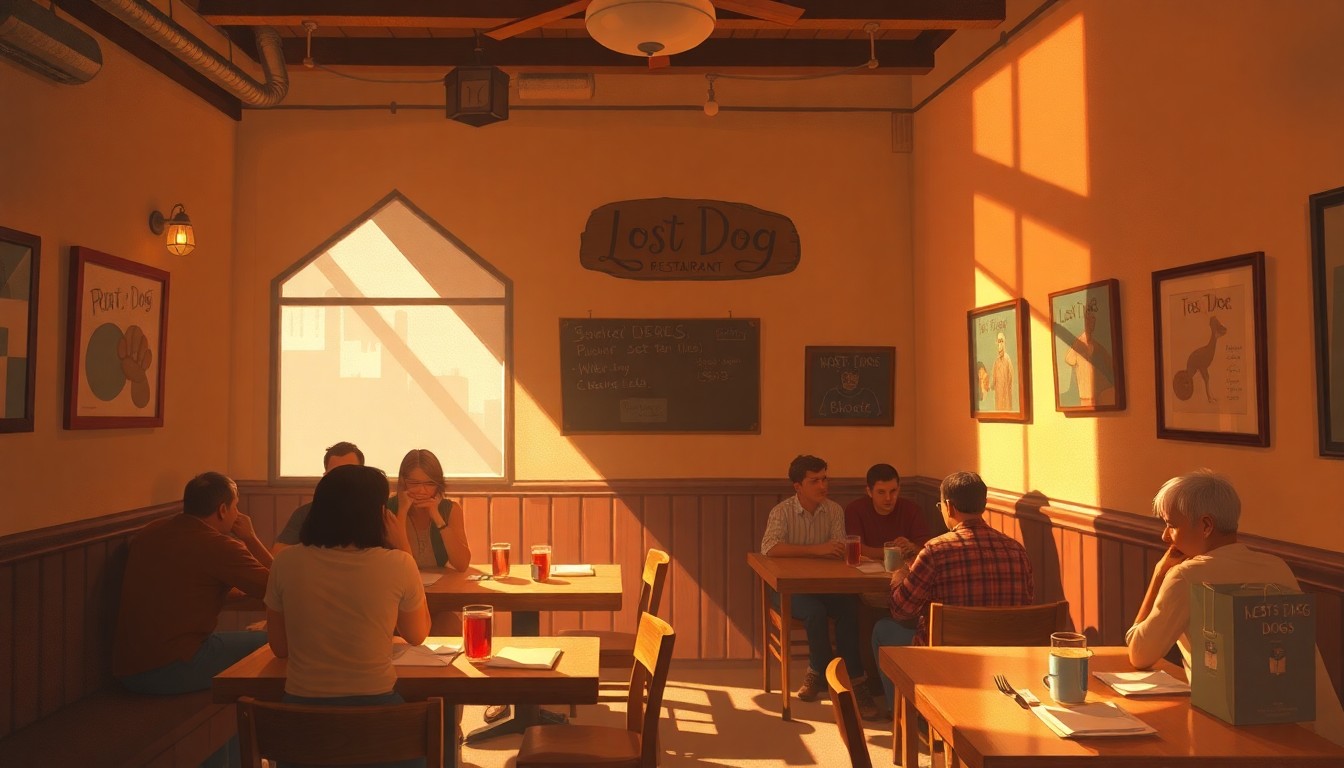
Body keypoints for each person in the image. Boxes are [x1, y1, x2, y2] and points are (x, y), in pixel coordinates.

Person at [1126, 470, 1344, 745]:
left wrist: (1159, 574)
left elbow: (1139, 653)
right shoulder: (1276, 567)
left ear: (1206, 525)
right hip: (1320, 732)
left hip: (1246, 735)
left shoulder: (1186, 575)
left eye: (1171, 525)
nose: (1165, 537)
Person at [266, 464, 432, 768]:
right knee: (430, 727)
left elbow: (280, 648)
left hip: (301, 724)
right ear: (379, 513)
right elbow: (417, 634)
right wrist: (403, 544)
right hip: (377, 714)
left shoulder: (285, 562)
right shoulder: (398, 564)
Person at [112, 472, 272, 768]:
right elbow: (282, 587)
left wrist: (219, 591)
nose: (238, 513)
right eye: (236, 506)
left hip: (128, 668)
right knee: (271, 645)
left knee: (234, 685)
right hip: (172, 667)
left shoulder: (151, 532)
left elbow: (176, 587)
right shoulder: (219, 546)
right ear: (223, 510)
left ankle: (234, 760)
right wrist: (250, 537)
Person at [872, 471, 1033, 712]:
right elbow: (1027, 607)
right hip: (1004, 658)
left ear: (948, 506)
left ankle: (910, 717)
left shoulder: (936, 550)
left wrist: (900, 578)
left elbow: (901, 610)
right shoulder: (1017, 550)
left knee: (882, 629)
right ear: (984, 504)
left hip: (946, 659)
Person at [760, 454, 882, 720]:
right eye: (814, 480)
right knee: (814, 613)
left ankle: (855, 681)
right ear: (798, 486)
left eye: (825, 478)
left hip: (825, 585)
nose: (822, 485)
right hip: (789, 589)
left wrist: (837, 553)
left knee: (850, 609)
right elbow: (770, 547)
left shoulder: (834, 510)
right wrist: (817, 550)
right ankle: (822, 673)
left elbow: (838, 549)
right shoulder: (782, 512)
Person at [845, 463, 930, 697]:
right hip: (867, 582)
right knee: (861, 610)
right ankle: (871, 679)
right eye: (881, 492)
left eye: (893, 491)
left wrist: (911, 546)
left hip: (905, 583)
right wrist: (890, 551)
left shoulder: (911, 509)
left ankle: (897, 678)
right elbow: (855, 546)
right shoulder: (855, 509)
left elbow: (926, 546)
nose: (888, 498)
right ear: (869, 491)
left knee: (901, 613)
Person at [273, 441, 365, 555]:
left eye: (350, 473)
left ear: (363, 476)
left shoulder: (376, 514)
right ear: (325, 477)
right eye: (335, 474)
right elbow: (278, 553)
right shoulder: (307, 513)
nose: (343, 480)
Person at [386, 448, 470, 573]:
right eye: (414, 483)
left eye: (430, 484)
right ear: (403, 482)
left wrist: (437, 517)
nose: (422, 490)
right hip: (400, 582)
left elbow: (462, 565)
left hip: (440, 586)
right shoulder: (388, 508)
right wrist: (402, 511)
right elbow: (400, 562)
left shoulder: (450, 509)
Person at [1064, 310, 1114, 407]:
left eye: (1093, 321)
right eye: (1089, 321)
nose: (1092, 324)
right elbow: (1069, 359)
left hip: (1097, 392)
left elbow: (1108, 362)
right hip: (1085, 393)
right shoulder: (1078, 343)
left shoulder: (1095, 345)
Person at [991, 331, 1015, 410]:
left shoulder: (1008, 360)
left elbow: (1011, 379)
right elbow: (993, 382)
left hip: (1006, 395)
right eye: (998, 341)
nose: (1000, 344)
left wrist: (1007, 390)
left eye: (1001, 341)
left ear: (1004, 342)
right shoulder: (996, 362)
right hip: (998, 395)